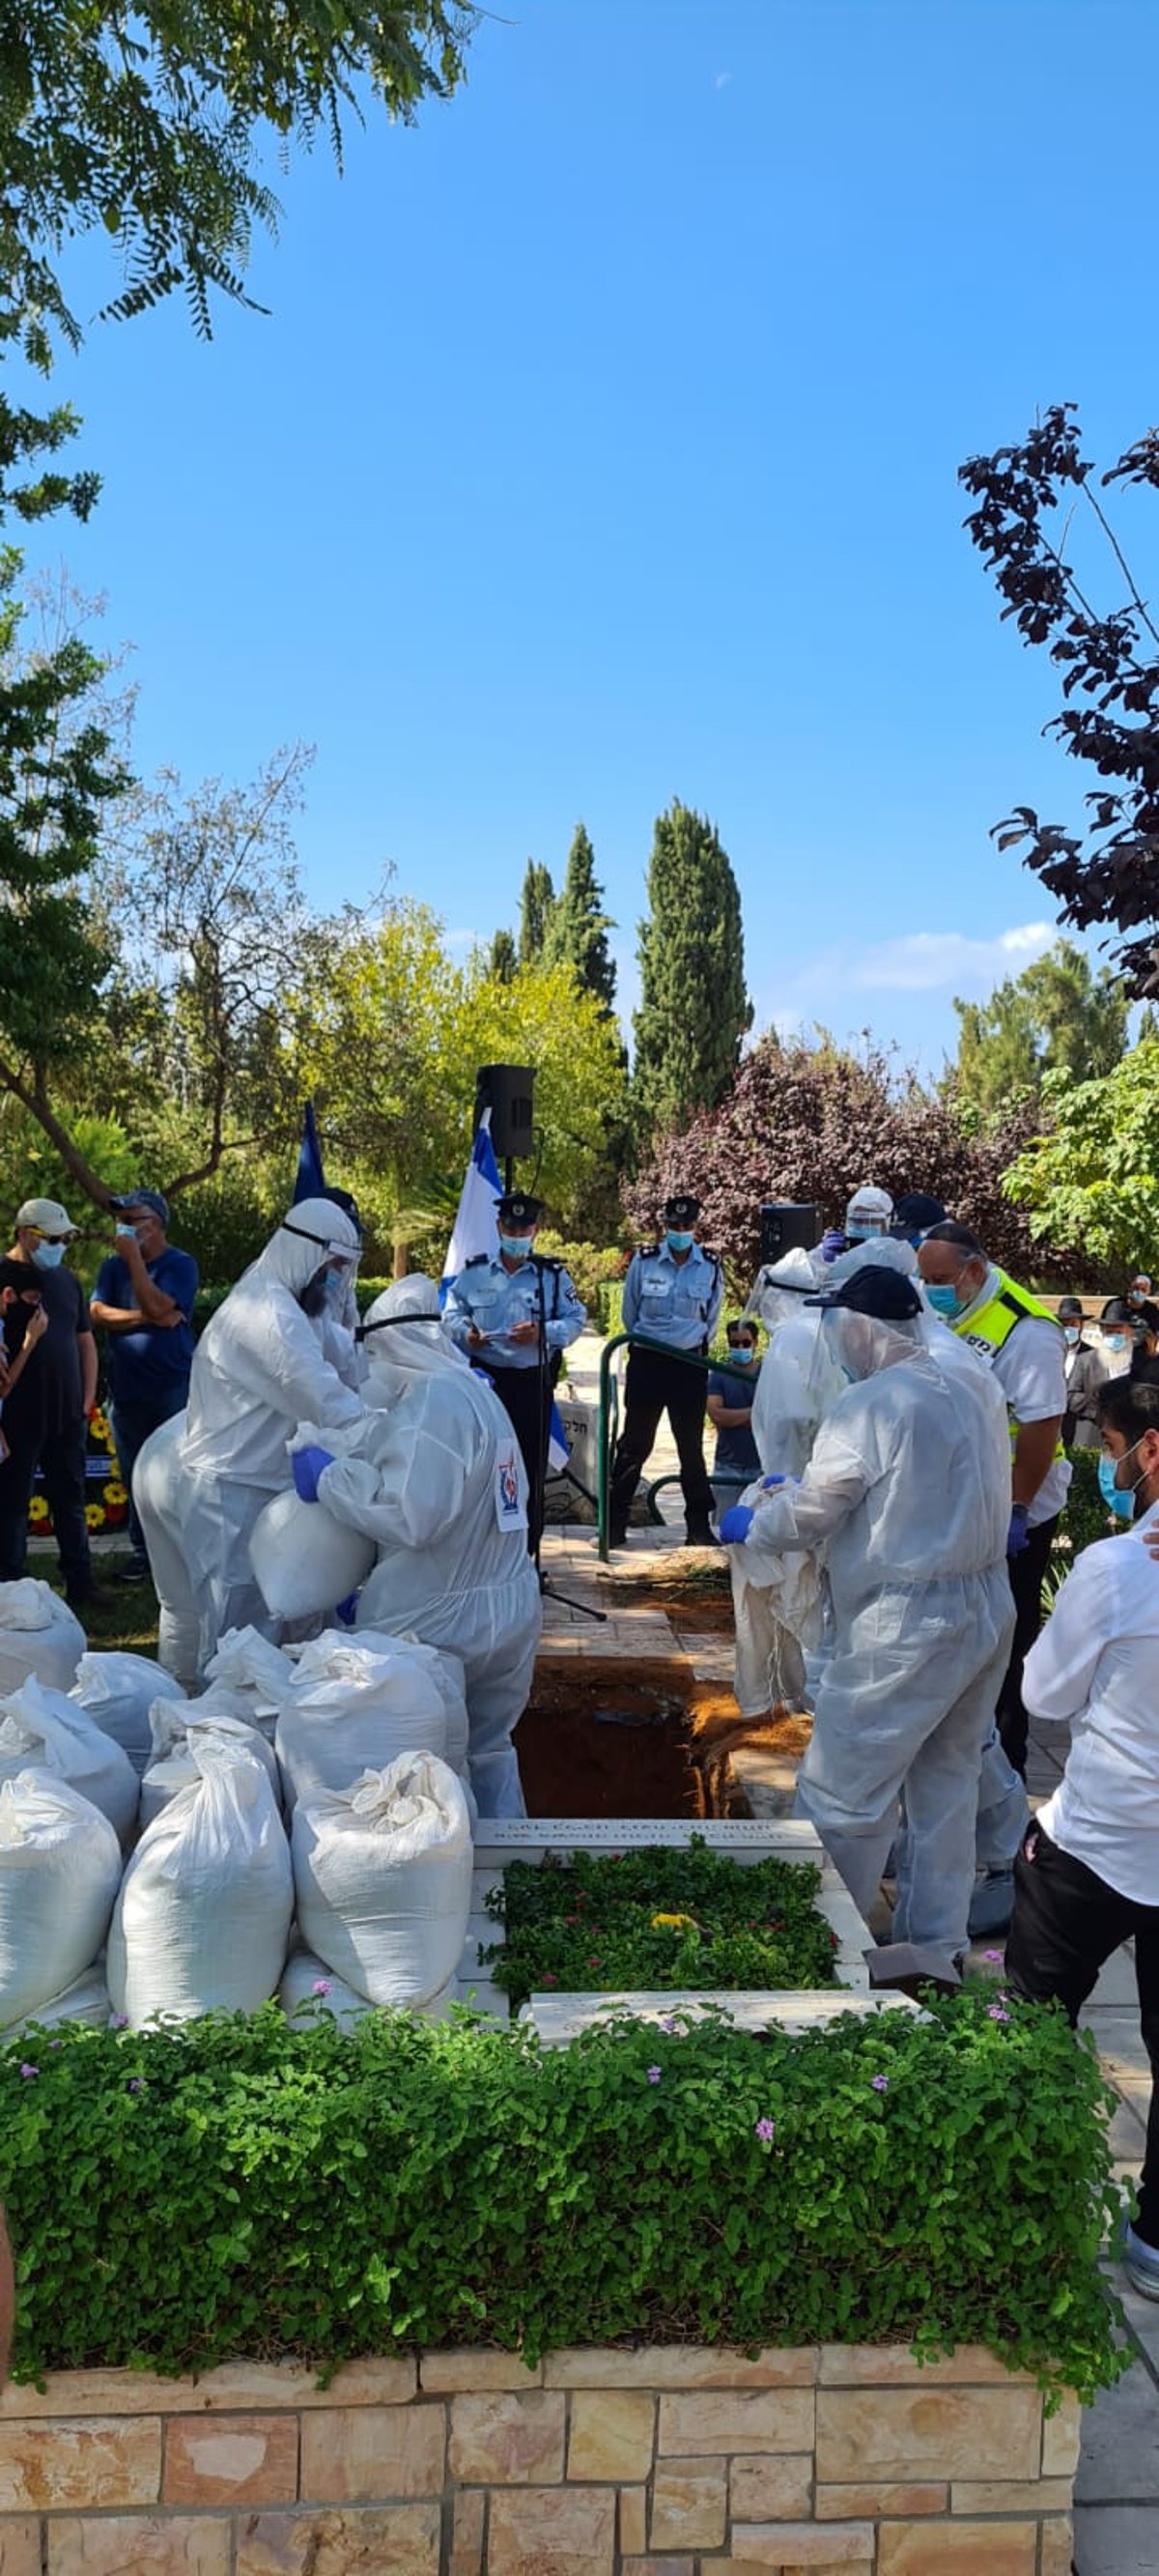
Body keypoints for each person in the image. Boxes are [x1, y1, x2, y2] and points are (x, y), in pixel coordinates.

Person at [720, 1266, 1014, 1969]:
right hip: (983, 1603)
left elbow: (816, 1512)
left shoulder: (872, 1405)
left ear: (862, 1325)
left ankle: (812, 1950)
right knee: (945, 1784)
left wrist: (755, 1523)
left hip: (905, 1624)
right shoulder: (970, 1380)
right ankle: (935, 1950)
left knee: (841, 1790)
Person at [1005, 1373, 1159, 2302]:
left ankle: (1027, 2208)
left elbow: (1044, 1698)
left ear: (1150, 1451)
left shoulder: (1120, 1568)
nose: (1106, 1465)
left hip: (1098, 1841)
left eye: (1107, 1447)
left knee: (1031, 2021)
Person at [291, 1275, 542, 1818]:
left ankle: (451, 1881)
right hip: (508, 1606)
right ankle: (512, 1867)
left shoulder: (431, 1401)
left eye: (373, 1356)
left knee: (429, 1767)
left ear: (389, 1347)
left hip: (445, 1621)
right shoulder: (475, 1391)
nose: (371, 1372)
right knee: (490, 1749)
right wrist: (383, 1584)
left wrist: (331, 1478)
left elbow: (409, 1516)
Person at [141, 1199, 365, 1675]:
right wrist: (393, 1432)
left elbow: (347, 1361)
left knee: (284, 1634)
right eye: (334, 1267)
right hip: (229, 1494)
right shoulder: (267, 1313)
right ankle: (221, 1741)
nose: (337, 1279)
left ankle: (270, 1740)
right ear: (306, 1254)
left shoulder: (301, 1303)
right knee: (236, 1643)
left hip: (267, 1488)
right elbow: (324, 1397)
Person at [918, 1220, 1069, 1778]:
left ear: (974, 1270)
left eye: (939, 1278)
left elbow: (1041, 1427)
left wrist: (1017, 1506)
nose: (930, 1288)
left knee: (1007, 1640)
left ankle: (1008, 1760)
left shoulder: (1026, 1330)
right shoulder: (951, 1312)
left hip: (1015, 1508)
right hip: (962, 1501)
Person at [443, 1192, 585, 1554]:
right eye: (510, 1226)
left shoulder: (550, 1276)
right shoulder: (475, 1273)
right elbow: (450, 1314)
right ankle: (484, 1552)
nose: (517, 1233)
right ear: (498, 1227)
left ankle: (527, 1555)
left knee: (529, 1470)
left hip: (529, 1384)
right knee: (482, 1469)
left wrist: (543, 1333)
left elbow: (574, 1319)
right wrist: (466, 1334)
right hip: (486, 1383)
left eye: (524, 1228)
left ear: (535, 1230)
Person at [90, 1189, 199, 1584]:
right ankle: (143, 1553)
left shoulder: (180, 1265)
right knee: (135, 1473)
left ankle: (180, 1551)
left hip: (171, 1387)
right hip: (126, 1389)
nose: (125, 1229)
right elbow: (97, 1312)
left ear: (158, 1224)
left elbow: (162, 1306)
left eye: (134, 1221)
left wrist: (135, 1261)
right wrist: (146, 1316)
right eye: (121, 1222)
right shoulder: (111, 1268)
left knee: (173, 1471)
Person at [0, 1199, 103, 1609]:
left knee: (71, 1498)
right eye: (54, 1239)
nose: (61, 1246)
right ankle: (10, 1587)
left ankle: (80, 1580)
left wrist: (88, 1394)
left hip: (66, 1412)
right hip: (17, 1415)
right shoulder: (2, 1280)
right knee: (11, 1503)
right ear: (26, 1234)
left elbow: (85, 1340)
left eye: (66, 1238)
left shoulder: (64, 1280)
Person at [608, 1192, 723, 1548]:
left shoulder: (709, 1264)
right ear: (665, 1226)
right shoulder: (644, 1262)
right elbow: (630, 1312)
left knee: (690, 1446)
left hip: (689, 1364)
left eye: (687, 1225)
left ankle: (698, 1527)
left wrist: (688, 1343)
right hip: (648, 1360)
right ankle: (614, 1523)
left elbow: (713, 1317)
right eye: (674, 1225)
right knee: (635, 1443)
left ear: (696, 1226)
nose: (680, 1231)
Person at [707, 1320, 763, 1495]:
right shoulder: (718, 1375)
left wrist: (733, 1417)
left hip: (762, 1465)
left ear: (755, 1343)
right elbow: (716, 1414)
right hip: (727, 1466)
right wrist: (754, 1414)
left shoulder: (768, 1374)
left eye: (745, 1343)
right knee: (723, 1521)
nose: (740, 1347)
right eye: (734, 1343)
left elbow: (775, 1415)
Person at [1058, 1296, 1107, 1450]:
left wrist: (1071, 1398)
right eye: (1064, 1325)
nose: (1069, 1329)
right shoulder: (1049, 1353)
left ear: (1081, 1326)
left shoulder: (1093, 1357)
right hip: (1053, 1427)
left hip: (1081, 1429)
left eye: (1073, 1324)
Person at [1099, 1297, 1136, 1378]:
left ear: (1130, 1331)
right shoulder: (1085, 1361)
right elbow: (1075, 1390)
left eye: (1119, 1332)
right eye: (1109, 1332)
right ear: (1102, 1331)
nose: (1113, 1337)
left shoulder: (1143, 1362)